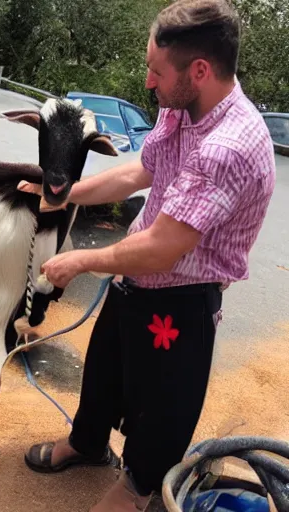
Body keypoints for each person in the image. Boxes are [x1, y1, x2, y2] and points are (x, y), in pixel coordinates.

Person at [17, 0, 277, 510]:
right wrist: (66, 193)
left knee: (162, 410)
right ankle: (87, 442)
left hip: (181, 300)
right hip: (135, 278)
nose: (149, 82)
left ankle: (135, 488)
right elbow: (142, 171)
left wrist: (82, 260)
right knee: (104, 368)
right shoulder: (181, 110)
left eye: (157, 71)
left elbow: (163, 248)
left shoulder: (231, 146)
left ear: (199, 70)